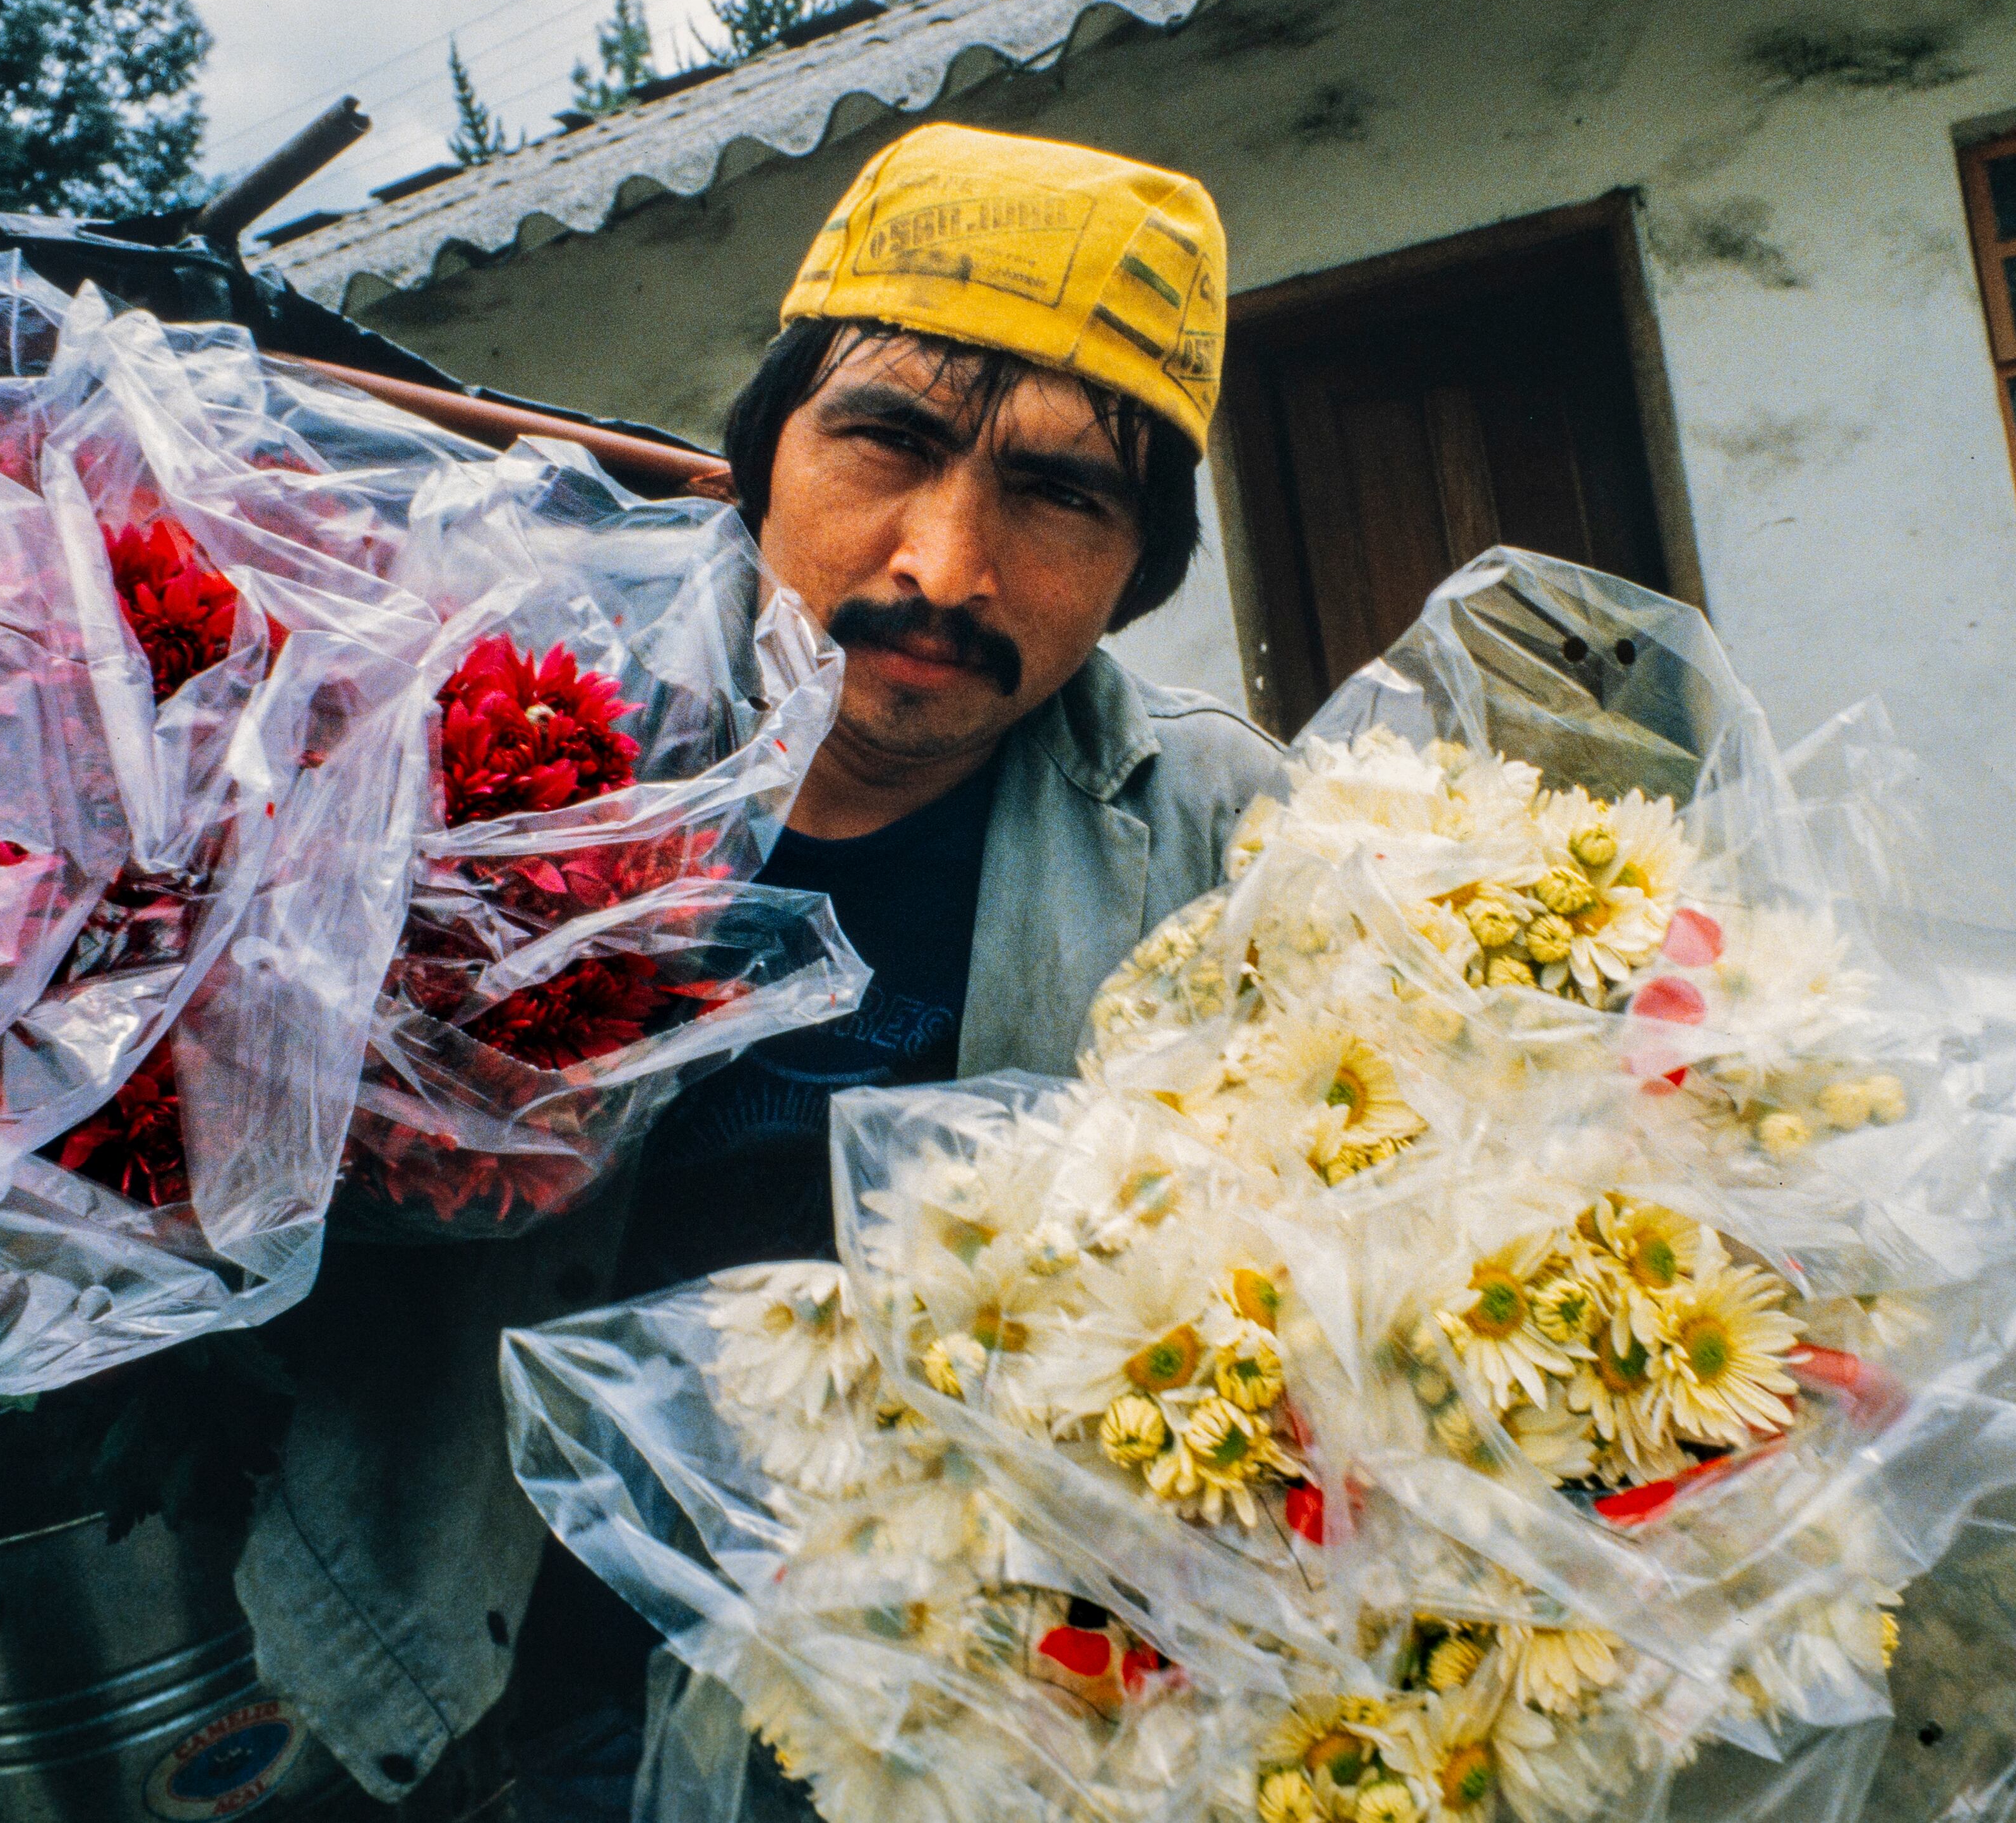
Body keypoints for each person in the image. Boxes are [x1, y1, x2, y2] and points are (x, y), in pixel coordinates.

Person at [240, 124, 1282, 1817]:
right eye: (888, 439)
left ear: (1137, 568)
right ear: (764, 455)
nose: (945, 564)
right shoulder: (476, 735)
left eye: (1059, 491)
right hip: (470, 1664)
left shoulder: (1229, 840)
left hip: (978, 1715)